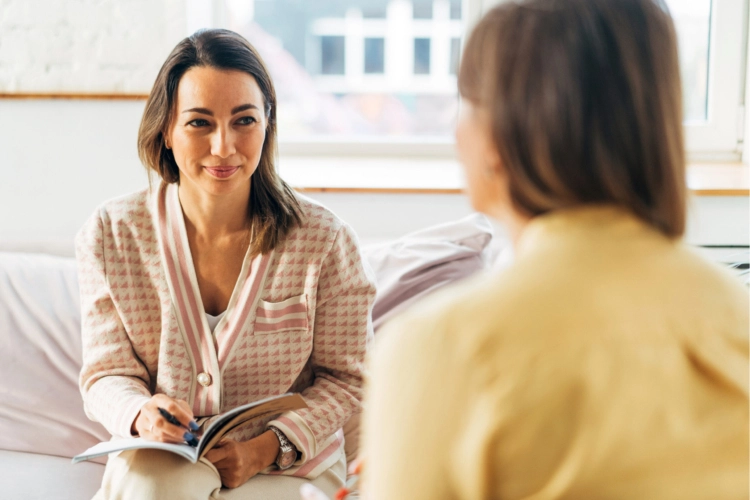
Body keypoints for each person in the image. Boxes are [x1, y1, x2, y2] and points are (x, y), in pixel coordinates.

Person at [360, 0, 750, 499]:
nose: (457, 133)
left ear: (499, 135)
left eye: (467, 104)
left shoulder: (444, 346)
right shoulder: (734, 313)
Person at [75, 29, 376, 500]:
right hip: (167, 459)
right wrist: (140, 413)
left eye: (243, 121)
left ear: (267, 125)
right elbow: (105, 373)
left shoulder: (325, 240)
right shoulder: (111, 235)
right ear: (166, 131)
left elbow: (348, 379)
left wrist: (265, 448)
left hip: (289, 464)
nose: (223, 147)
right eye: (199, 123)